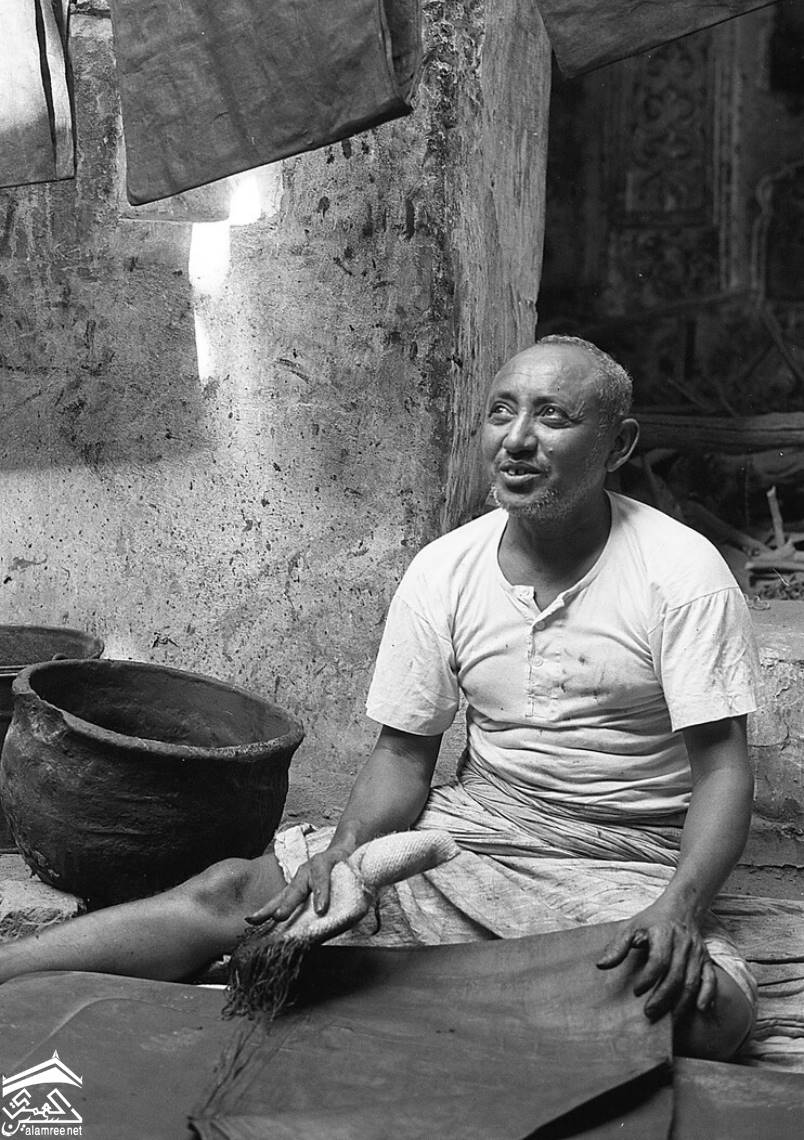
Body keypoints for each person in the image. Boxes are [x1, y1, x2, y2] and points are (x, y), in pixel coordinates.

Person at [0, 336, 760, 1062]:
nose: (517, 439)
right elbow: (403, 754)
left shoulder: (680, 574)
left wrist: (680, 906)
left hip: (625, 860)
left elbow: (723, 770)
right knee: (238, 894)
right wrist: (342, 851)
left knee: (709, 1014)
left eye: (553, 417)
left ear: (618, 445)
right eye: (501, 412)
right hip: (477, 833)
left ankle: (378, 989)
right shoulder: (445, 569)